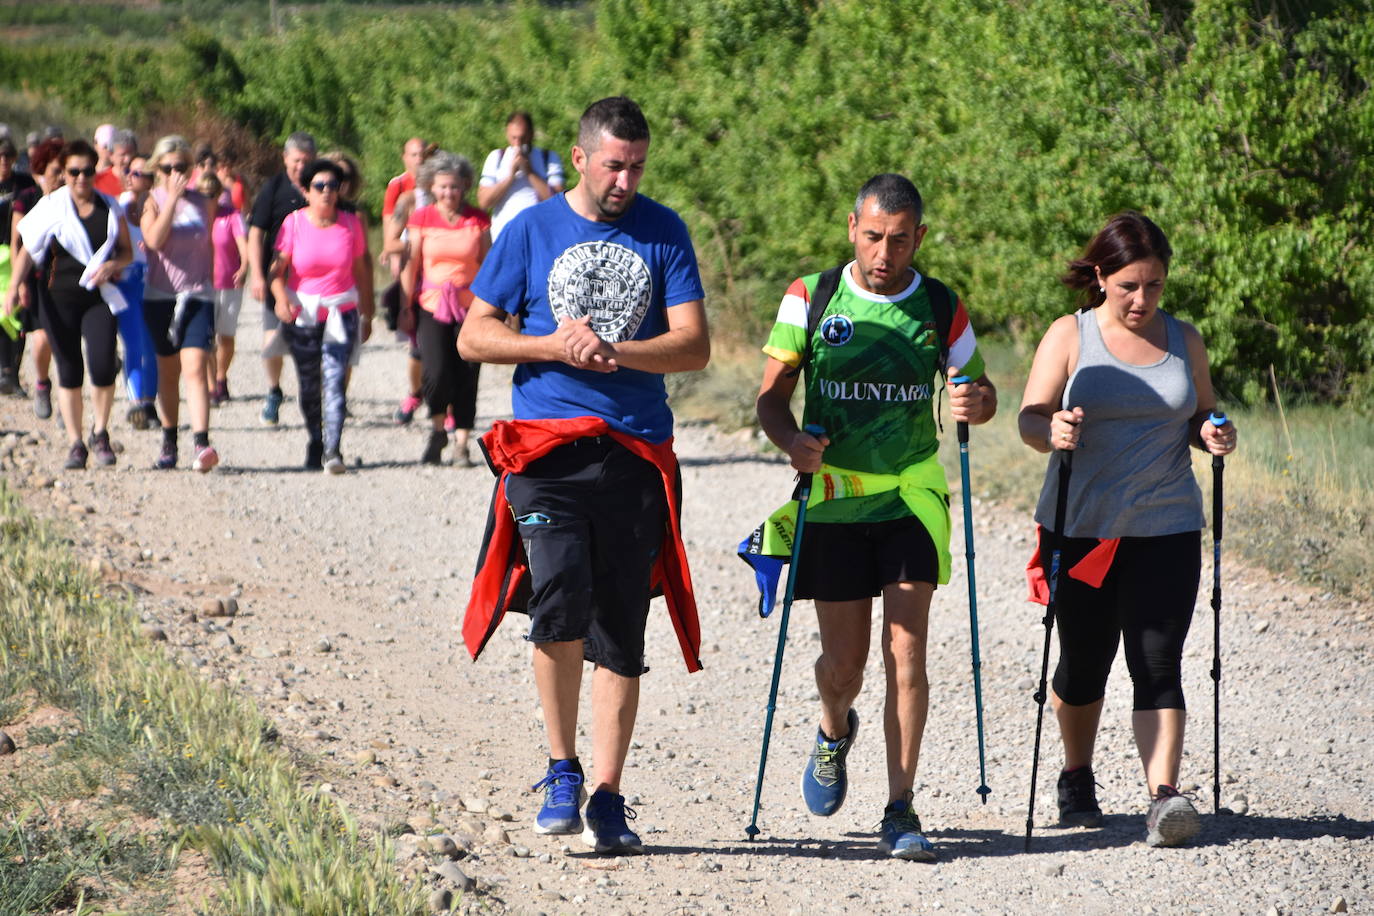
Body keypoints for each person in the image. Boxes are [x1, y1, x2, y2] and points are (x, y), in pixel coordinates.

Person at [458, 96, 709, 855]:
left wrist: (616, 351)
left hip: (634, 454)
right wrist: (554, 347)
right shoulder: (530, 228)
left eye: (636, 166)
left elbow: (694, 345)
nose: (625, 180)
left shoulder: (664, 231)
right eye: (613, 165)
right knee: (559, 599)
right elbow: (474, 335)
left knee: (622, 626)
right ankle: (561, 768)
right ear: (581, 156)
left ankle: (607, 794)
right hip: (545, 452)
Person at [752, 173, 997, 861]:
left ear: (918, 236)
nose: (884, 253)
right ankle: (834, 731)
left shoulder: (941, 305)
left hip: (910, 497)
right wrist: (789, 440)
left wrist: (977, 401)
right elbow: (771, 398)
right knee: (845, 665)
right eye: (872, 237)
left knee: (907, 653)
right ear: (851, 228)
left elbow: (980, 387)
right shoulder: (812, 296)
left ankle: (900, 806)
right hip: (834, 498)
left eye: (898, 239)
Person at [1018, 211, 1237, 848]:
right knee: (1084, 662)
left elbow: (1202, 411)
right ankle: (1076, 776)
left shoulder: (1184, 339)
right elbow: (1031, 419)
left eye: (1155, 286)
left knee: (1158, 661)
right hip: (1083, 528)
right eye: (1129, 287)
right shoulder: (1070, 335)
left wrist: (1215, 431)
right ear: (1101, 276)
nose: (1143, 300)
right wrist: (1050, 429)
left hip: (1168, 525)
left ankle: (1164, 797)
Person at [7, 139, 133, 469]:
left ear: (95, 172)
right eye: (74, 171)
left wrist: (113, 265)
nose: (80, 178)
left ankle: (100, 432)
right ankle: (76, 442)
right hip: (57, 298)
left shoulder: (110, 207)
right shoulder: (52, 206)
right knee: (69, 368)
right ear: (63, 173)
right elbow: (27, 249)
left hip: (98, 297)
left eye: (87, 171)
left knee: (103, 363)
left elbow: (126, 251)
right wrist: (13, 289)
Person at [268, 158, 374, 473]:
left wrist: (368, 313)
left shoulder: (351, 224)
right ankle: (315, 437)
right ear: (307, 190)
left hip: (342, 311)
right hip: (304, 313)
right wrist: (278, 298)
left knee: (335, 379)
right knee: (309, 384)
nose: (327, 192)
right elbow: (277, 270)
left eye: (332, 186)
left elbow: (361, 270)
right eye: (320, 186)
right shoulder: (294, 223)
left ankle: (333, 449)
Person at [401, 151, 490, 466]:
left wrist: (497, 308)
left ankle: (462, 443)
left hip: (471, 307)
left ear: (464, 186)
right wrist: (404, 303)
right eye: (442, 187)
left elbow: (488, 264)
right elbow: (411, 262)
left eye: (454, 187)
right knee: (436, 372)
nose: (449, 193)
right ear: (432, 187)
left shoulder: (477, 219)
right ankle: (438, 429)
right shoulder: (421, 218)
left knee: (467, 373)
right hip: (431, 304)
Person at [140, 135, 220, 472]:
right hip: (160, 297)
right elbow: (154, 240)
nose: (175, 172)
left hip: (197, 295)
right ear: (157, 170)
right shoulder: (152, 202)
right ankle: (169, 441)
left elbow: (209, 245)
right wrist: (171, 200)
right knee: (168, 372)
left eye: (181, 167)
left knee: (195, 368)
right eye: (168, 167)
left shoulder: (203, 203)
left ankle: (202, 443)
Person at [248, 131, 315, 426]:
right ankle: (274, 390)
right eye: (296, 160)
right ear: (285, 159)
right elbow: (255, 233)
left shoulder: (321, 186)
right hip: (277, 273)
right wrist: (257, 275)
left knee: (314, 341)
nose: (301, 166)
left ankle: (315, 396)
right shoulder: (273, 189)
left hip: (312, 279)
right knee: (273, 338)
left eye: (307, 161)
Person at [5, 136, 63, 417]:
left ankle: (68, 405)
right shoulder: (27, 197)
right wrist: (18, 283)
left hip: (66, 279)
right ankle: (42, 382)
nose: (62, 176)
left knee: (66, 345)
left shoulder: (73, 201)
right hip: (36, 278)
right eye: (56, 170)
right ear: (41, 170)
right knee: (41, 340)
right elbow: (18, 242)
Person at [113, 152, 160, 429]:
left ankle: (149, 402)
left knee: (153, 344)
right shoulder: (117, 207)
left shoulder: (159, 207)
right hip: (127, 281)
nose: (131, 177)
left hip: (155, 282)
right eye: (129, 171)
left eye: (138, 173)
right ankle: (135, 403)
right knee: (133, 342)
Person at [478, 111, 564, 240]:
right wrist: (510, 177)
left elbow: (558, 201)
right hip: (504, 236)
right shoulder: (496, 157)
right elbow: (484, 202)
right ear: (507, 133)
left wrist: (530, 173)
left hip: (539, 237)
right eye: (514, 138)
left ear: (531, 134)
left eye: (522, 138)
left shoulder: (548, 158)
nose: (518, 143)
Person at [201, 170, 248, 406]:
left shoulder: (231, 216)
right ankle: (211, 385)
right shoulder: (194, 218)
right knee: (206, 337)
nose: (208, 198)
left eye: (212, 194)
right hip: (203, 285)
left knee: (226, 335)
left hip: (229, 283)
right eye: (204, 194)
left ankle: (221, 377)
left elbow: (243, 244)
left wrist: (246, 265)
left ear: (219, 194)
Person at [0, 133, 37, 394]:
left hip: (15, 253)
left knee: (15, 315)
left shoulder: (23, 183)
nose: (3, 161)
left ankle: (11, 372)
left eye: (8, 156)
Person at [95, 129, 135, 197]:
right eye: (122, 155)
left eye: (131, 154)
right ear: (111, 155)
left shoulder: (141, 178)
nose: (128, 159)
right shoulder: (98, 181)